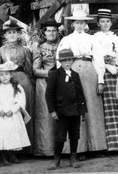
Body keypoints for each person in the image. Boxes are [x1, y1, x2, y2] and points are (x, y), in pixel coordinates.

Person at [56, 10, 107, 154]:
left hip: (90, 72)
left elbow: (98, 59)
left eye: (82, 22)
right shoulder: (66, 40)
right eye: (77, 22)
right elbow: (60, 60)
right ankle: (79, 149)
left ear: (86, 24)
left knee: (91, 105)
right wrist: (62, 79)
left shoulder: (92, 39)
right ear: (72, 24)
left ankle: (96, 146)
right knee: (75, 106)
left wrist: (100, 80)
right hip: (72, 72)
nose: (79, 25)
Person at [0, 20, 34, 151]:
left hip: (22, 82)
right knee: (7, 114)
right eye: (9, 33)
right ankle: (8, 149)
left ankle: (25, 149)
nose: (12, 35)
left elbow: (29, 69)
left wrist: (29, 82)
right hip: (5, 82)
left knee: (22, 110)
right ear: (5, 35)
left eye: (14, 32)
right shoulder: (0, 51)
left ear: (18, 34)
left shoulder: (25, 50)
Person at [93, 9, 118, 152]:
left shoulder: (116, 37)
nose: (105, 24)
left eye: (108, 21)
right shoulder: (95, 37)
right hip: (105, 74)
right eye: (102, 21)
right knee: (109, 109)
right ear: (98, 23)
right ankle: (112, 145)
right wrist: (108, 67)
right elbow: (97, 57)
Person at [46, 49, 87, 169]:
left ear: (72, 61)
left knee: (75, 135)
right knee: (60, 137)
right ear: (60, 62)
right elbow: (49, 94)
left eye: (69, 60)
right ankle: (56, 160)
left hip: (75, 111)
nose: (67, 63)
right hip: (61, 112)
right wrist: (52, 111)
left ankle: (73, 159)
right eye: (64, 61)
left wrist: (82, 110)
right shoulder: (55, 75)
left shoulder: (75, 75)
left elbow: (80, 93)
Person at [0, 61, 31, 165]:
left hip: (13, 115)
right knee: (1, 135)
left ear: (11, 75)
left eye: (7, 74)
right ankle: (2, 156)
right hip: (0, 116)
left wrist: (13, 110)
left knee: (13, 134)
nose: (4, 77)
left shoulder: (17, 87)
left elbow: (20, 101)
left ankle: (12, 155)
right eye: (1, 75)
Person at [32, 19, 61, 156]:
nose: (51, 33)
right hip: (44, 83)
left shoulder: (62, 45)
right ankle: (46, 149)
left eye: (54, 30)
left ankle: (63, 149)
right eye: (48, 31)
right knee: (46, 115)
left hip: (60, 82)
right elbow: (35, 70)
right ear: (44, 33)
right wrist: (50, 73)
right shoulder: (39, 47)